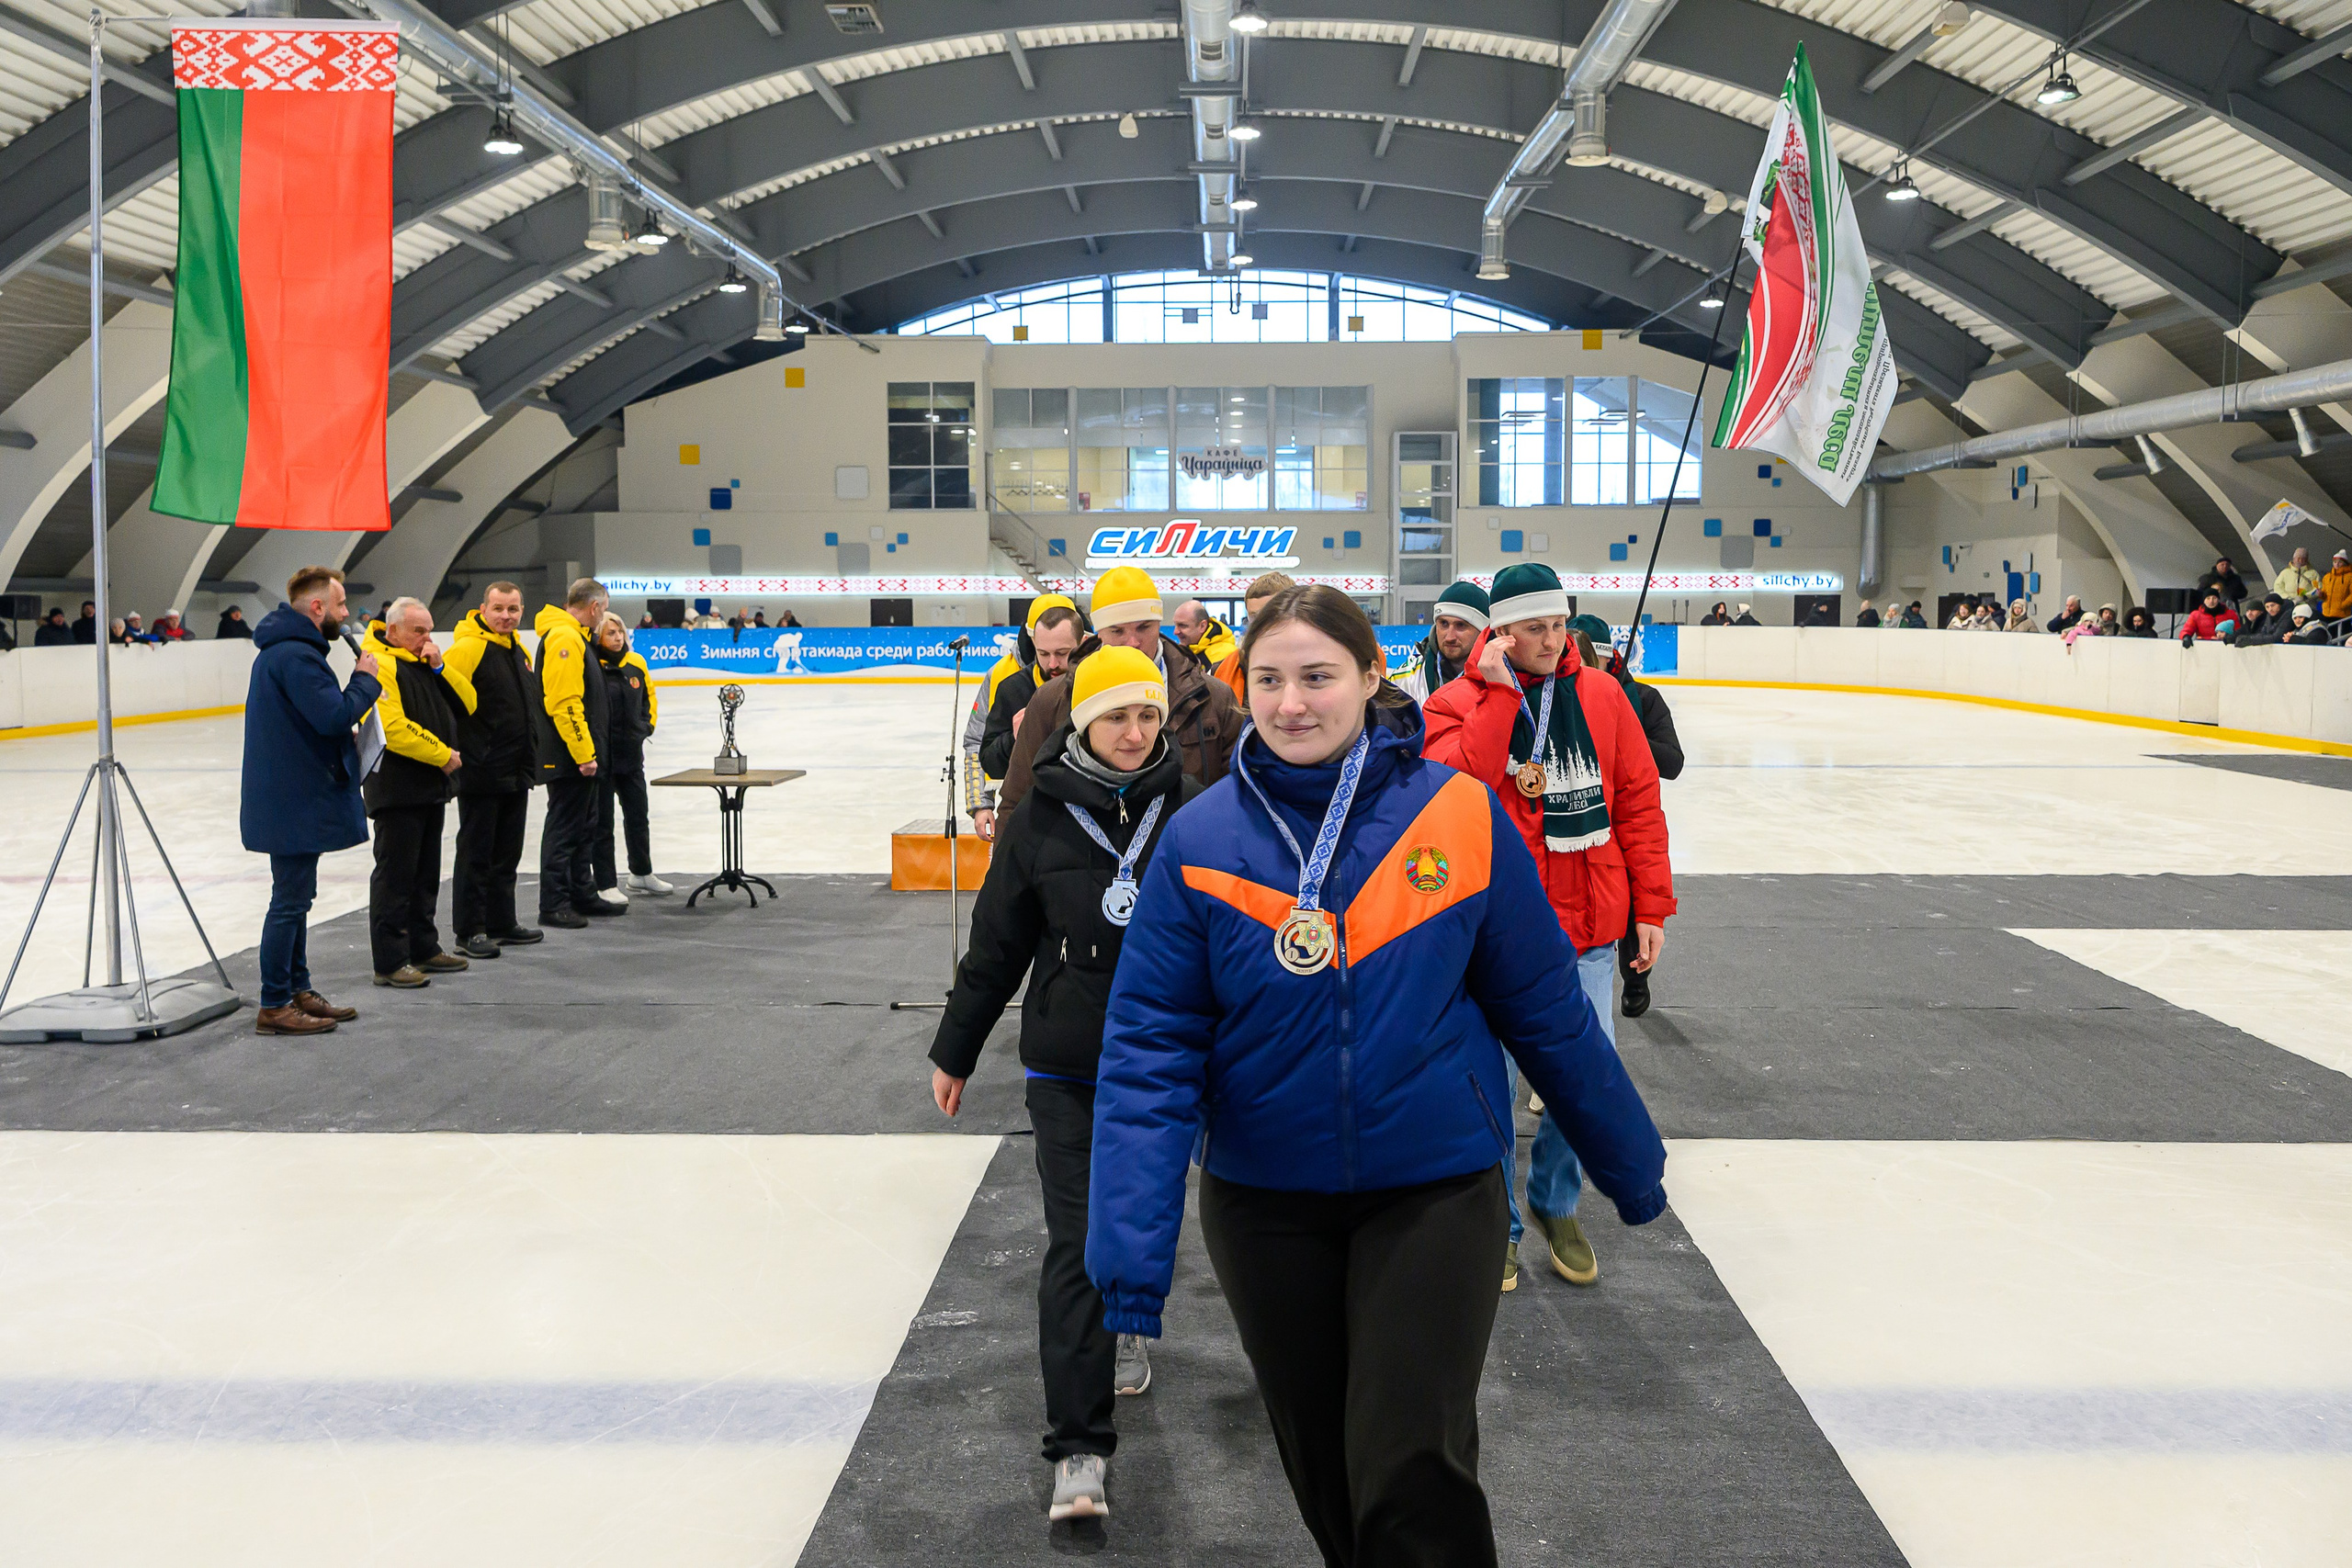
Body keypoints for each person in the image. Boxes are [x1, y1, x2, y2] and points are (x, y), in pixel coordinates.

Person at [1087, 585, 1667, 1566]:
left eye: (1317, 677)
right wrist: (1130, 1256)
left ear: (1370, 677)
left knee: (1411, 1471)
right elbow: (1149, 1051)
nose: (1290, 703)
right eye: (1267, 680)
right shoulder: (1200, 838)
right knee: (1325, 1474)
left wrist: (1626, 1158)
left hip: (1434, 1189)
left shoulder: (1458, 816)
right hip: (1266, 1202)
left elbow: (1546, 1010)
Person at [930, 646, 1198, 1524]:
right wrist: (956, 1047)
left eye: (1148, 714)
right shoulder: (1040, 813)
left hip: (1171, 1063)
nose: (1135, 731)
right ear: (1082, 719)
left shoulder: (1194, 811)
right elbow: (998, 943)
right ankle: (1079, 1446)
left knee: (1148, 1228)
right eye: (1117, 715)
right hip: (1070, 1065)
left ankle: (1126, 1317)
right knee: (1080, 1239)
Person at [1421, 562, 1673, 1294]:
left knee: (1583, 1081)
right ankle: (1495, 1220)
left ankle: (1555, 1200)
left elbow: (1637, 804)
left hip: (1590, 923)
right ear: (1499, 630)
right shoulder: (1451, 702)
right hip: (1491, 936)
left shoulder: (1600, 695)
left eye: (1559, 624)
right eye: (1535, 627)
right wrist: (1498, 695)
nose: (1552, 638)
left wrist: (1650, 909)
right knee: (1489, 1091)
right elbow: (1457, 789)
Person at [240, 566, 379, 1036]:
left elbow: (313, 721)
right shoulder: (297, 656)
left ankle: (296, 989)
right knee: (289, 901)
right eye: (340, 605)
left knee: (297, 899)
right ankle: (275, 1002)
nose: (345, 615)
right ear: (317, 608)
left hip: (292, 796)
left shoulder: (289, 652)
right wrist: (363, 680)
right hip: (293, 800)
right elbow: (332, 715)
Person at [1000, 566, 1243, 814]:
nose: (1133, 642)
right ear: (1098, 632)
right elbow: (1016, 802)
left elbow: (1240, 799)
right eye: (1117, 631)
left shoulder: (1213, 698)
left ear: (1159, 624)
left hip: (1187, 847)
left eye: (1144, 627)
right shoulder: (1052, 700)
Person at [1571, 614, 1681, 1023]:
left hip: (1628, 820)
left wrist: (1625, 733)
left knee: (1634, 902)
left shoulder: (1642, 698)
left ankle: (1636, 975)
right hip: (1583, 828)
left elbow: (1672, 762)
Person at [361, 600, 476, 988]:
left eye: (429, 630)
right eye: (417, 631)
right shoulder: (381, 664)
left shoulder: (422, 662)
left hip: (429, 787)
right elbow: (391, 728)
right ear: (392, 631)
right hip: (397, 788)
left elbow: (469, 702)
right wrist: (442, 754)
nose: (425, 638)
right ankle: (391, 961)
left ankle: (424, 947)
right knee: (396, 877)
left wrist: (441, 667)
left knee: (426, 874)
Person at [442, 581, 543, 958]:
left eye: (513, 609)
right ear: (483, 608)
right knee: (476, 852)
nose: (506, 616)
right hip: (482, 769)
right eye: (499, 608)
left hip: (516, 768)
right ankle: (470, 930)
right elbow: (446, 701)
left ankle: (502, 921)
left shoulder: (518, 649)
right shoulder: (468, 647)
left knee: (507, 851)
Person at [965, 593, 1081, 842]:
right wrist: (980, 804)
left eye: (1062, 652)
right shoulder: (1004, 679)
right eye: (1044, 652)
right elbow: (977, 745)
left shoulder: (1096, 679)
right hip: (1025, 811)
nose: (1053, 663)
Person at [535, 578, 615, 929]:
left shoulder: (575, 636)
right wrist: (583, 753)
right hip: (569, 756)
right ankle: (554, 903)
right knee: (565, 828)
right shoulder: (566, 638)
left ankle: (582, 892)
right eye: (604, 609)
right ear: (595, 607)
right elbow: (565, 702)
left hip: (579, 755)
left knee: (584, 825)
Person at [594, 612, 671, 899]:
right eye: (609, 633)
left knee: (638, 817)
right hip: (602, 758)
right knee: (602, 823)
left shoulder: (635, 663)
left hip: (631, 756)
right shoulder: (592, 664)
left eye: (619, 633)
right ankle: (604, 882)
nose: (616, 638)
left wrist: (645, 727)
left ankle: (641, 873)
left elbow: (649, 699)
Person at [1394, 580, 1492, 704]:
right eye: (1444, 624)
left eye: (1461, 625)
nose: (1450, 637)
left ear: (1482, 632)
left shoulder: (1500, 677)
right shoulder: (1405, 678)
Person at [1210, 571, 1295, 705]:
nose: (1261, 623)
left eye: (1270, 614)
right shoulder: (1223, 669)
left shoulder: (1317, 664)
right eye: (1255, 617)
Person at [1170, 599, 1238, 671]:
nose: (1176, 632)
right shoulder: (1183, 651)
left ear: (1202, 626)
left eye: (1183, 625)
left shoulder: (1226, 655)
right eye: (1175, 625)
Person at [2324, 549, 2352, 623]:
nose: (2337, 564)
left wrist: (2343, 605)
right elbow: (2324, 594)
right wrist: (2321, 594)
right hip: (2326, 613)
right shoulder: (2327, 577)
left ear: (2345, 564)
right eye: (2335, 562)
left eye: (2340, 562)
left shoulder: (2350, 577)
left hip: (2342, 615)